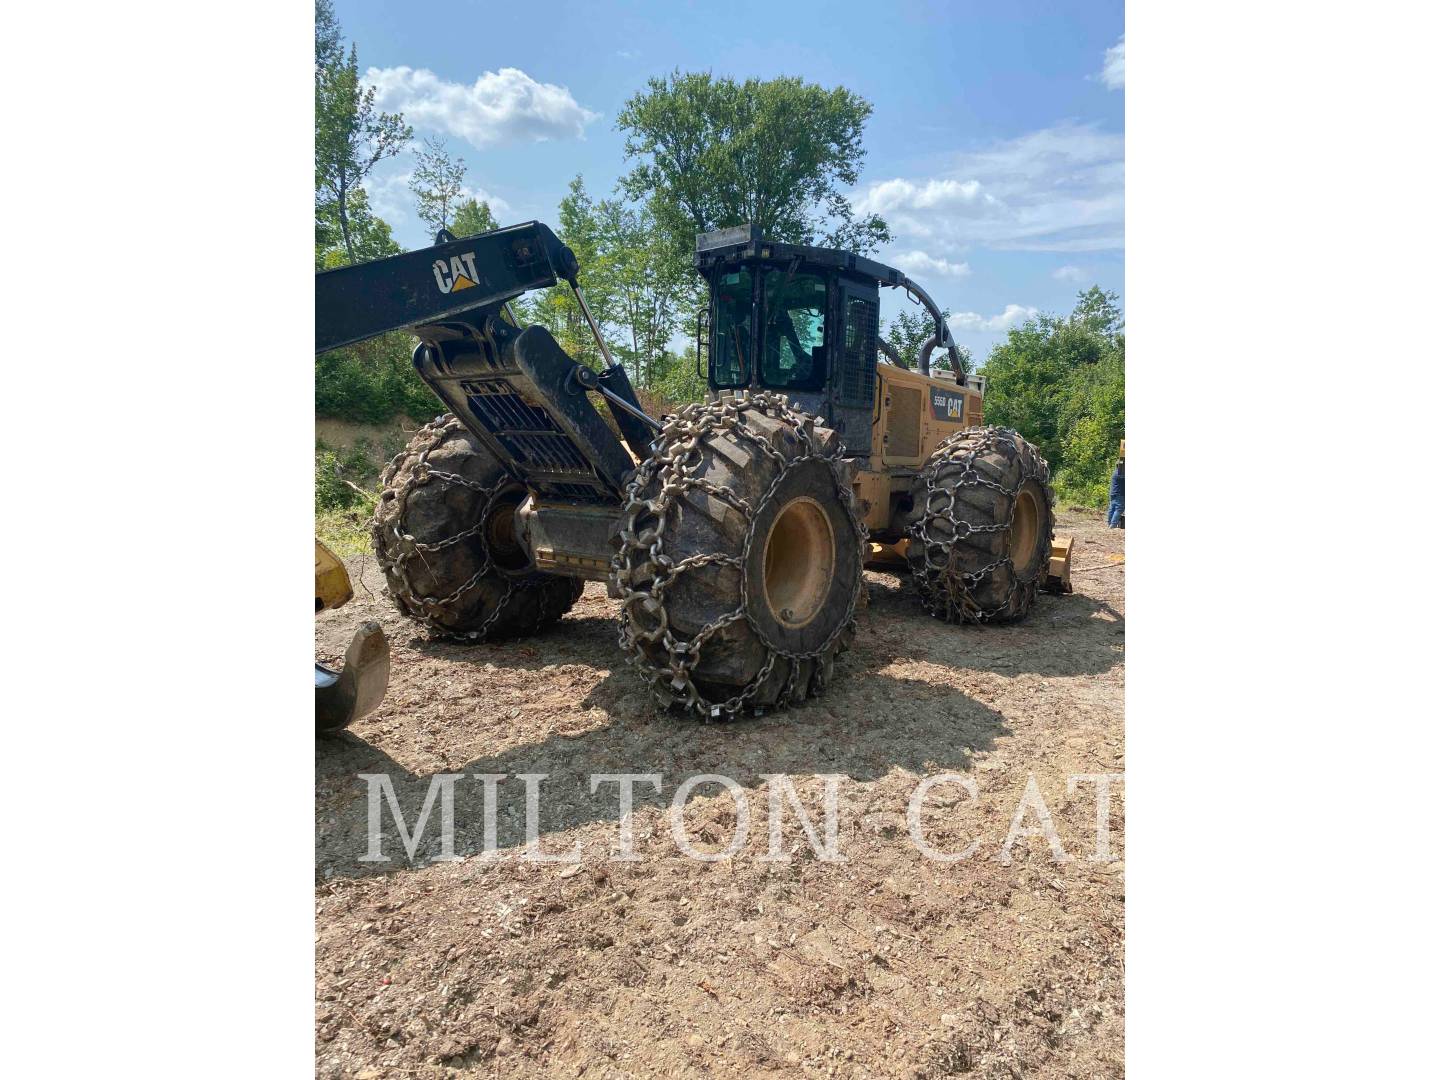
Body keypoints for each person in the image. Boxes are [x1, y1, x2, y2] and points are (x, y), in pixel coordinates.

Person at [1107, 449, 1125, 529]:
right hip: (1119, 494)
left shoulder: (1116, 472)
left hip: (1113, 493)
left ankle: (1110, 524)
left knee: (1112, 508)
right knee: (1119, 509)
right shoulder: (1120, 473)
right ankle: (1113, 526)